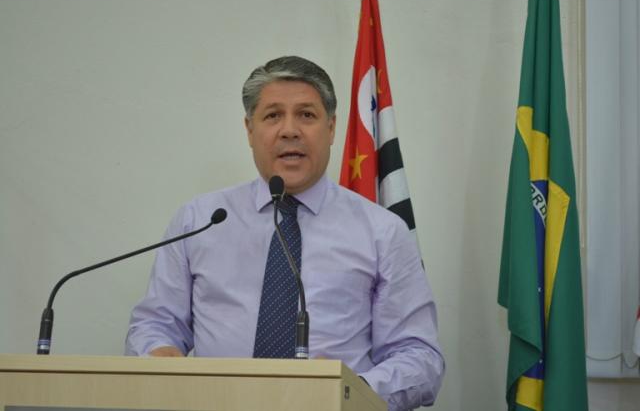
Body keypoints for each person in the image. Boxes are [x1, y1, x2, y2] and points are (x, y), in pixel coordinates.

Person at [125, 55, 444, 410]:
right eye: (273, 115)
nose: (289, 130)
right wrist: (157, 353)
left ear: (331, 128)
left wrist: (353, 390)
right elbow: (155, 324)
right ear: (249, 130)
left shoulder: (382, 231)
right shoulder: (198, 220)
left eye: (306, 115)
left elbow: (419, 356)